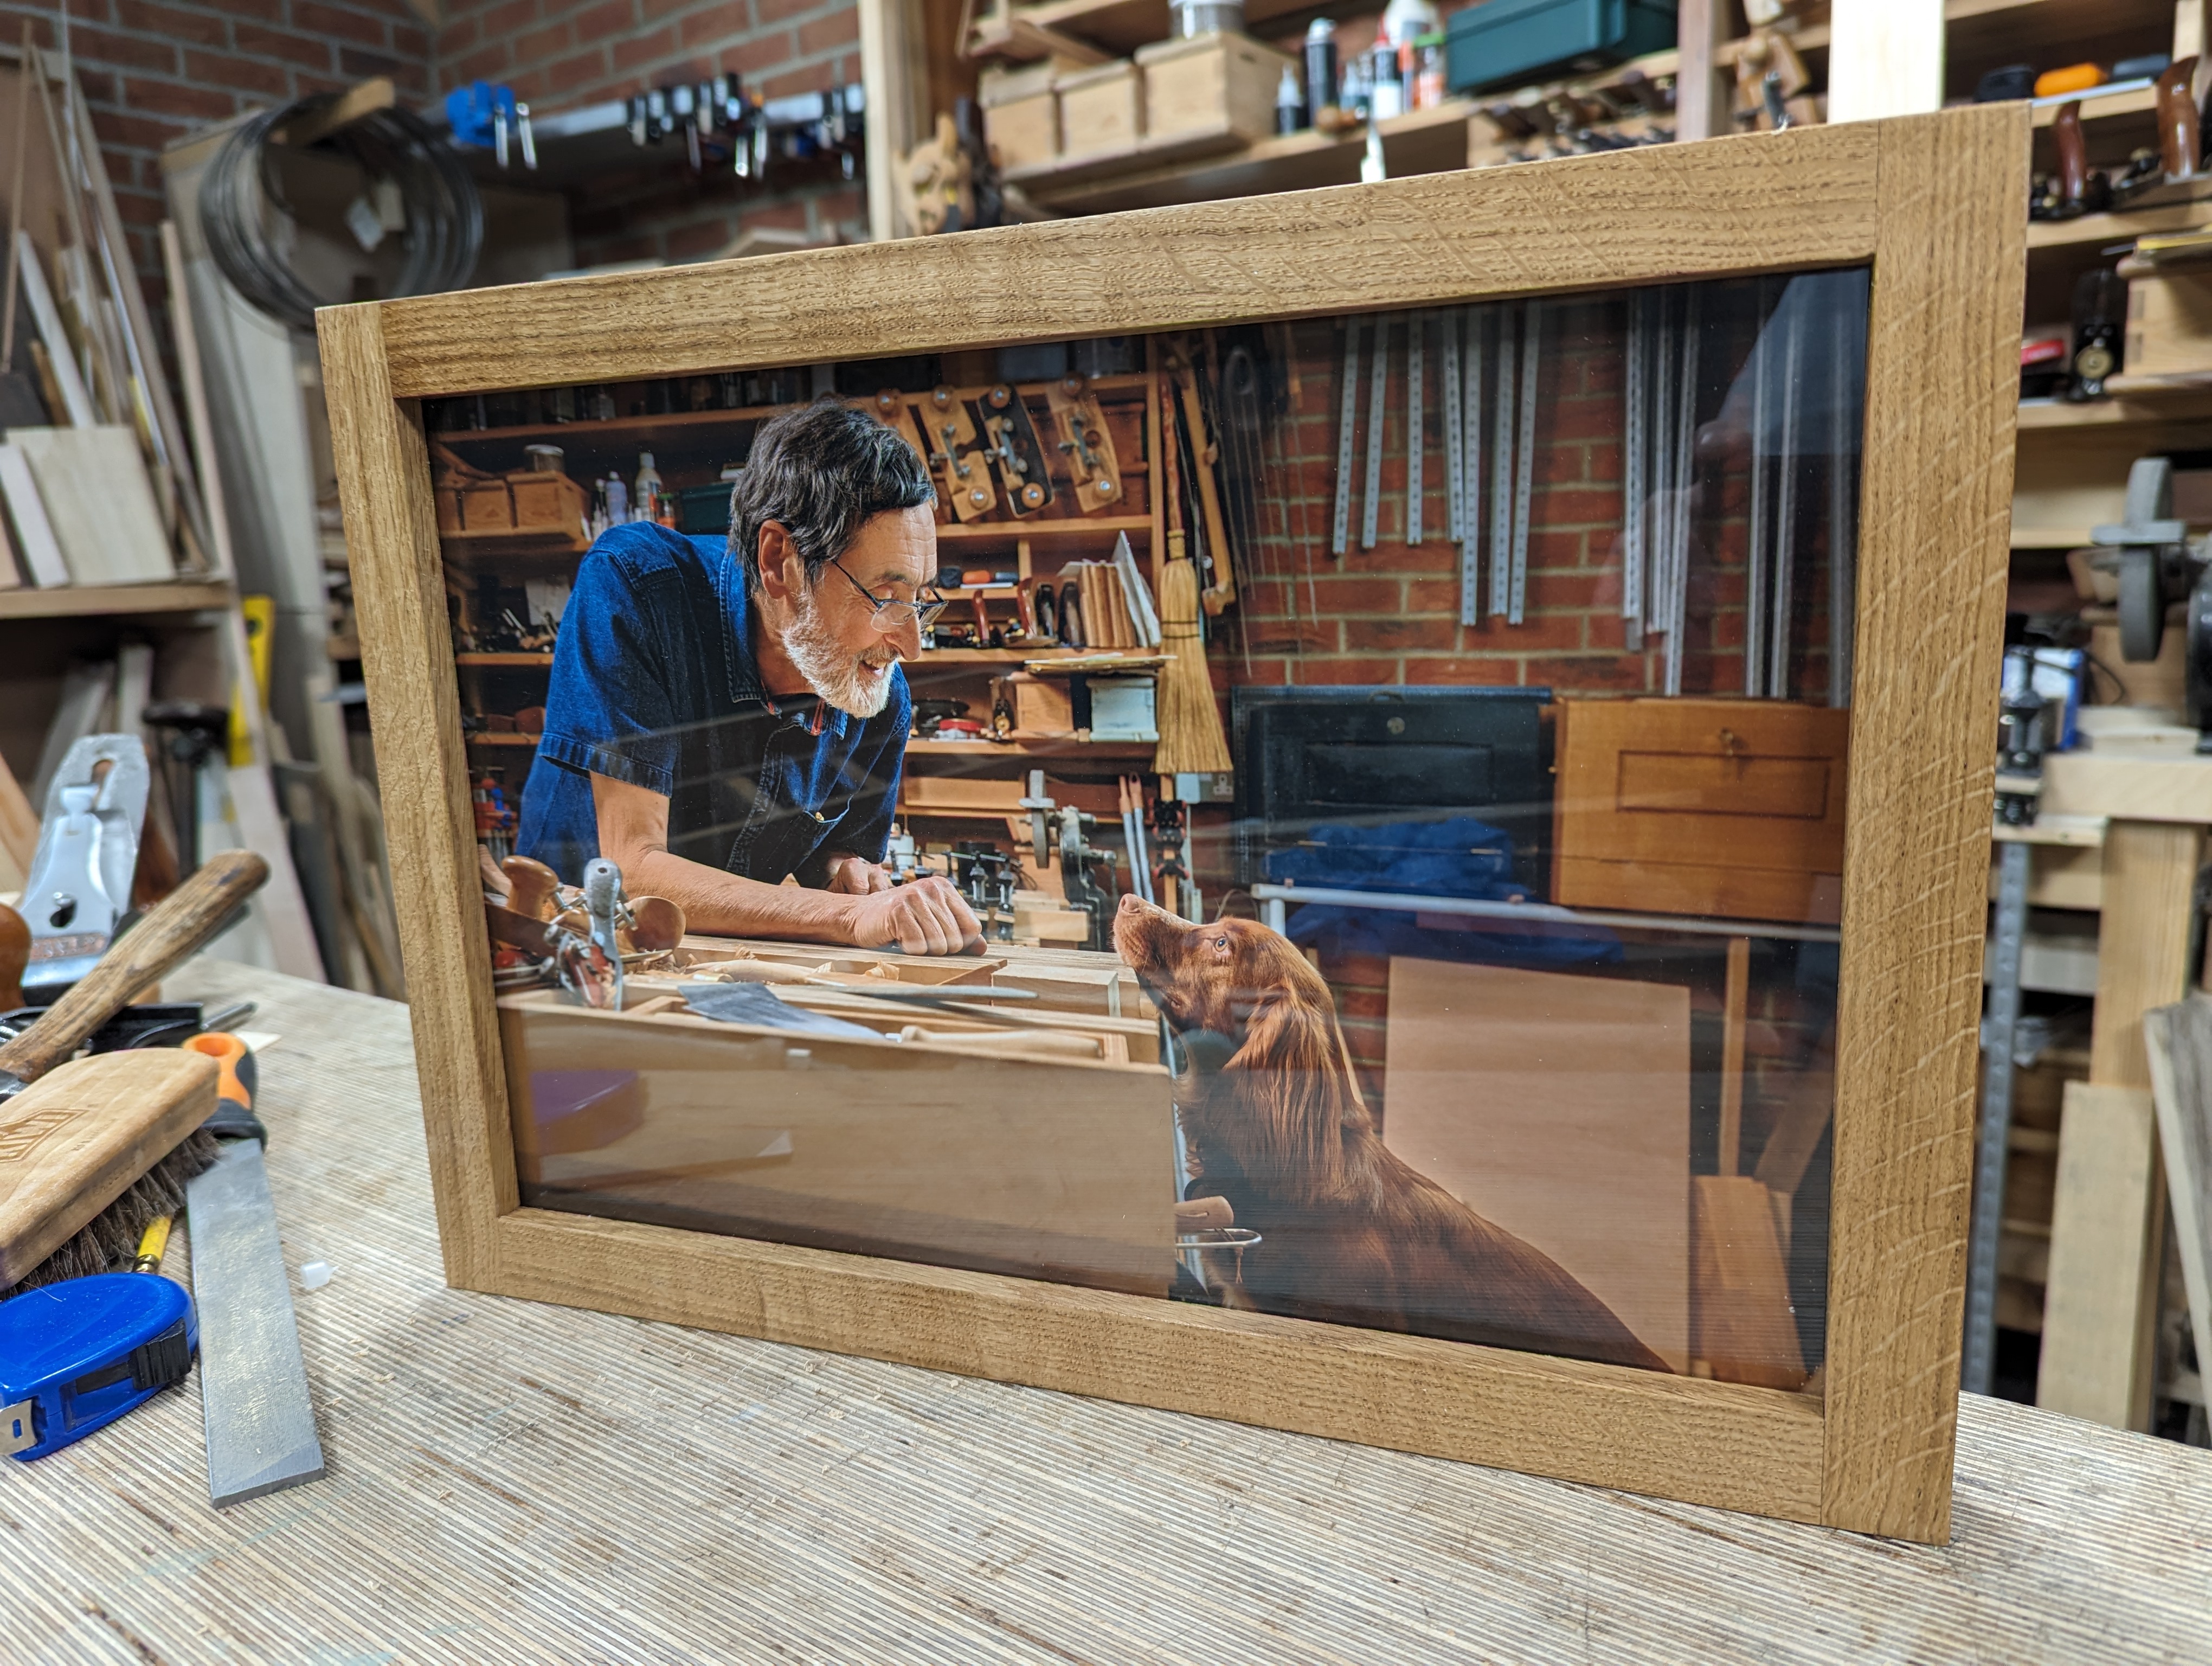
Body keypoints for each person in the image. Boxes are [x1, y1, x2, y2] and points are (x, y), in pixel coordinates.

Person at [517, 398, 982, 954]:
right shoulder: (638, 590)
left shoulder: (877, 691)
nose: (911, 646)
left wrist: (848, 875)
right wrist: (849, 916)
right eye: (885, 598)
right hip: (564, 950)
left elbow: (838, 861)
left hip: (711, 960)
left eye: (920, 601)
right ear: (779, 560)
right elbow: (630, 873)